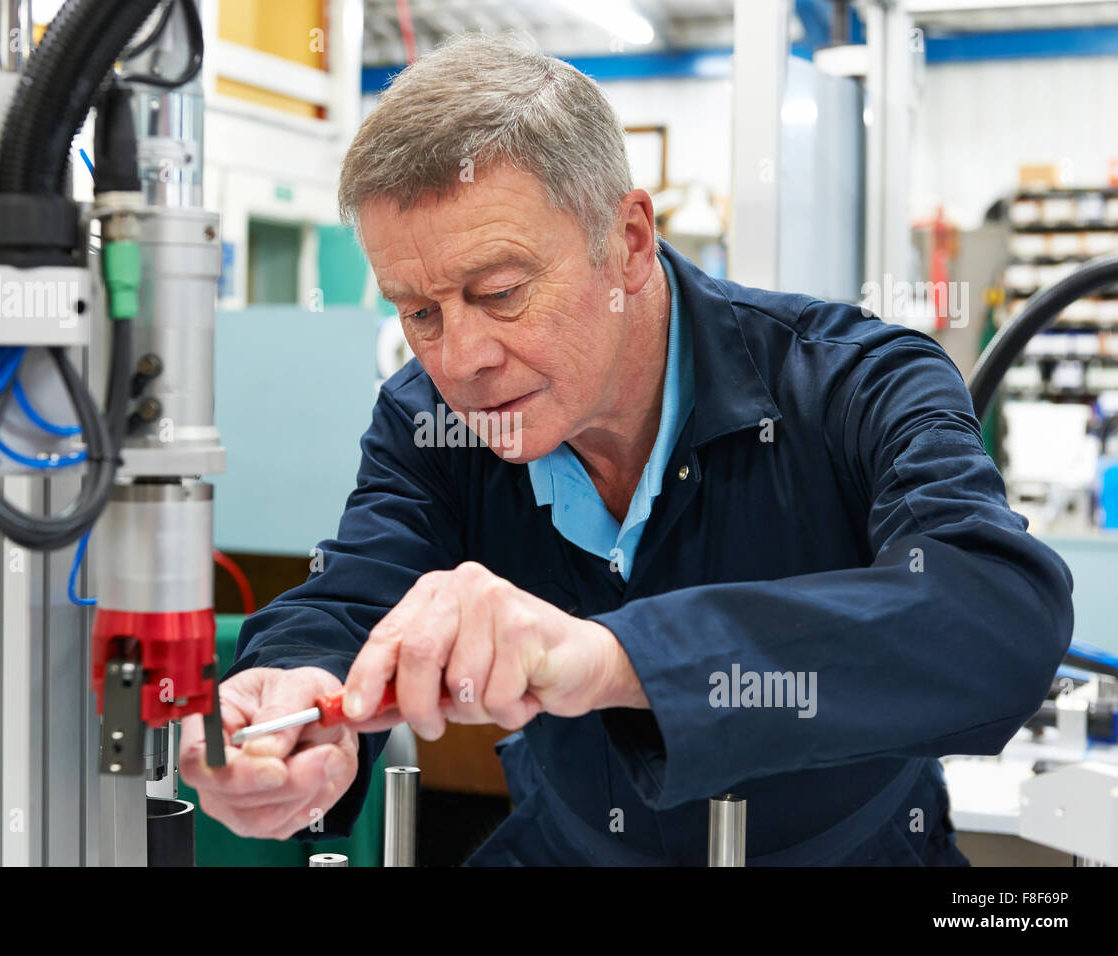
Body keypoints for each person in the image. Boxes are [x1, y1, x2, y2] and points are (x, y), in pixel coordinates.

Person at [179, 33, 1072, 865]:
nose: (460, 360)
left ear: (630, 241)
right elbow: (355, 593)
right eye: (418, 312)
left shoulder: (849, 383)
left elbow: (995, 617)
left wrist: (615, 659)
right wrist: (297, 690)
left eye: (499, 292)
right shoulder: (430, 421)